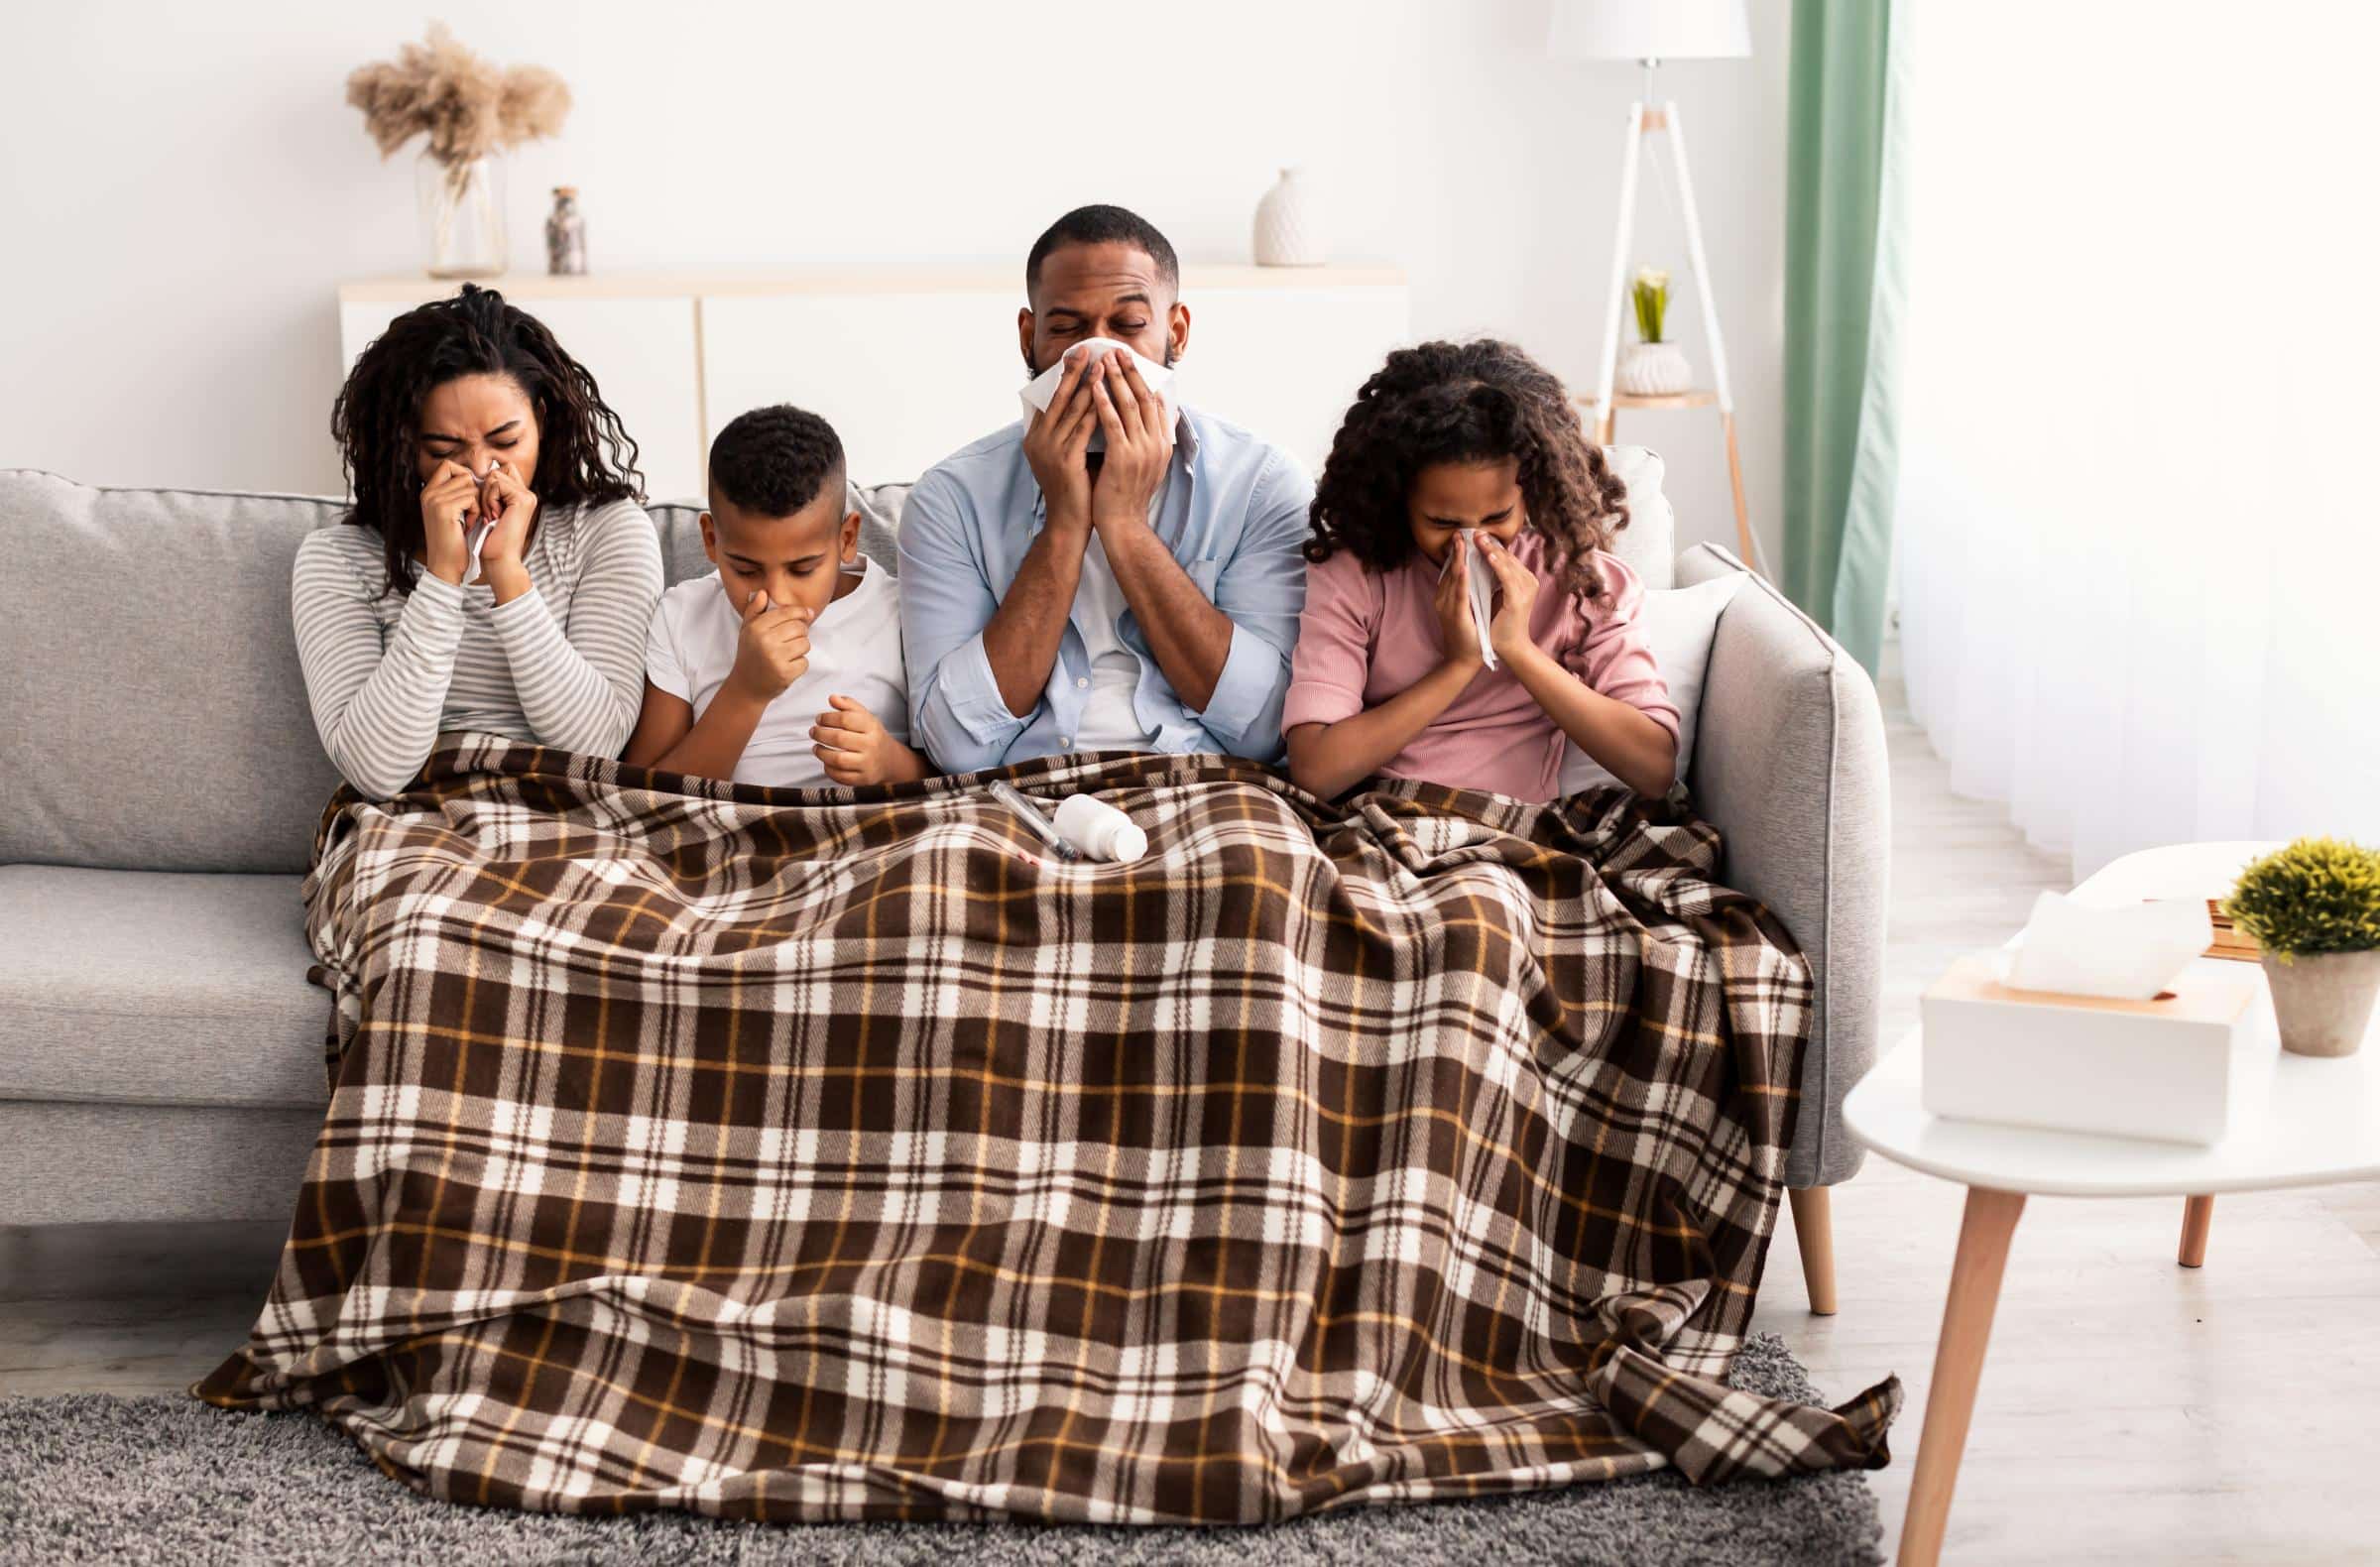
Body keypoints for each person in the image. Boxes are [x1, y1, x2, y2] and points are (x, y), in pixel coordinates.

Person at [897, 204, 1312, 773]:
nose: (1097, 359)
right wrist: (1066, 524)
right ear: (1029, 337)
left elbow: (1266, 732)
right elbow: (956, 749)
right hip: (1023, 790)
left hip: (1207, 781)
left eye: (1128, 326)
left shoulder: (1261, 485)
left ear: (1177, 331)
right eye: (1066, 329)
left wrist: (1125, 526)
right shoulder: (950, 500)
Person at [293, 284, 663, 799]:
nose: (482, 469)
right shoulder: (337, 558)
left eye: (506, 442)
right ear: (402, 449)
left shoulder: (606, 531)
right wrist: (443, 578)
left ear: (545, 421)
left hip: (567, 813)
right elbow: (376, 772)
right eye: (444, 448)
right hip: (416, 821)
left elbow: (594, 746)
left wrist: (506, 572)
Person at [1283, 339, 1680, 803]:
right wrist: (1459, 664)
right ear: (1399, 500)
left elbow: (1654, 769)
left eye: (1497, 517)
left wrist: (1517, 649)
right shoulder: (1356, 575)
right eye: (1442, 522)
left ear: (1530, 493)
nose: (1471, 542)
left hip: (1516, 825)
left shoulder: (1584, 583)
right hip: (1382, 813)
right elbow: (1314, 770)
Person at [624, 406, 922, 787]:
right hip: (730, 831)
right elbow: (639, 796)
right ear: (711, 541)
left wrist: (889, 763)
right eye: (746, 570)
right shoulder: (682, 617)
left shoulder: (901, 613)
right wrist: (746, 691)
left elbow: (958, 773)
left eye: (803, 569)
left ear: (846, 539)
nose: (777, 596)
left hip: (870, 828)